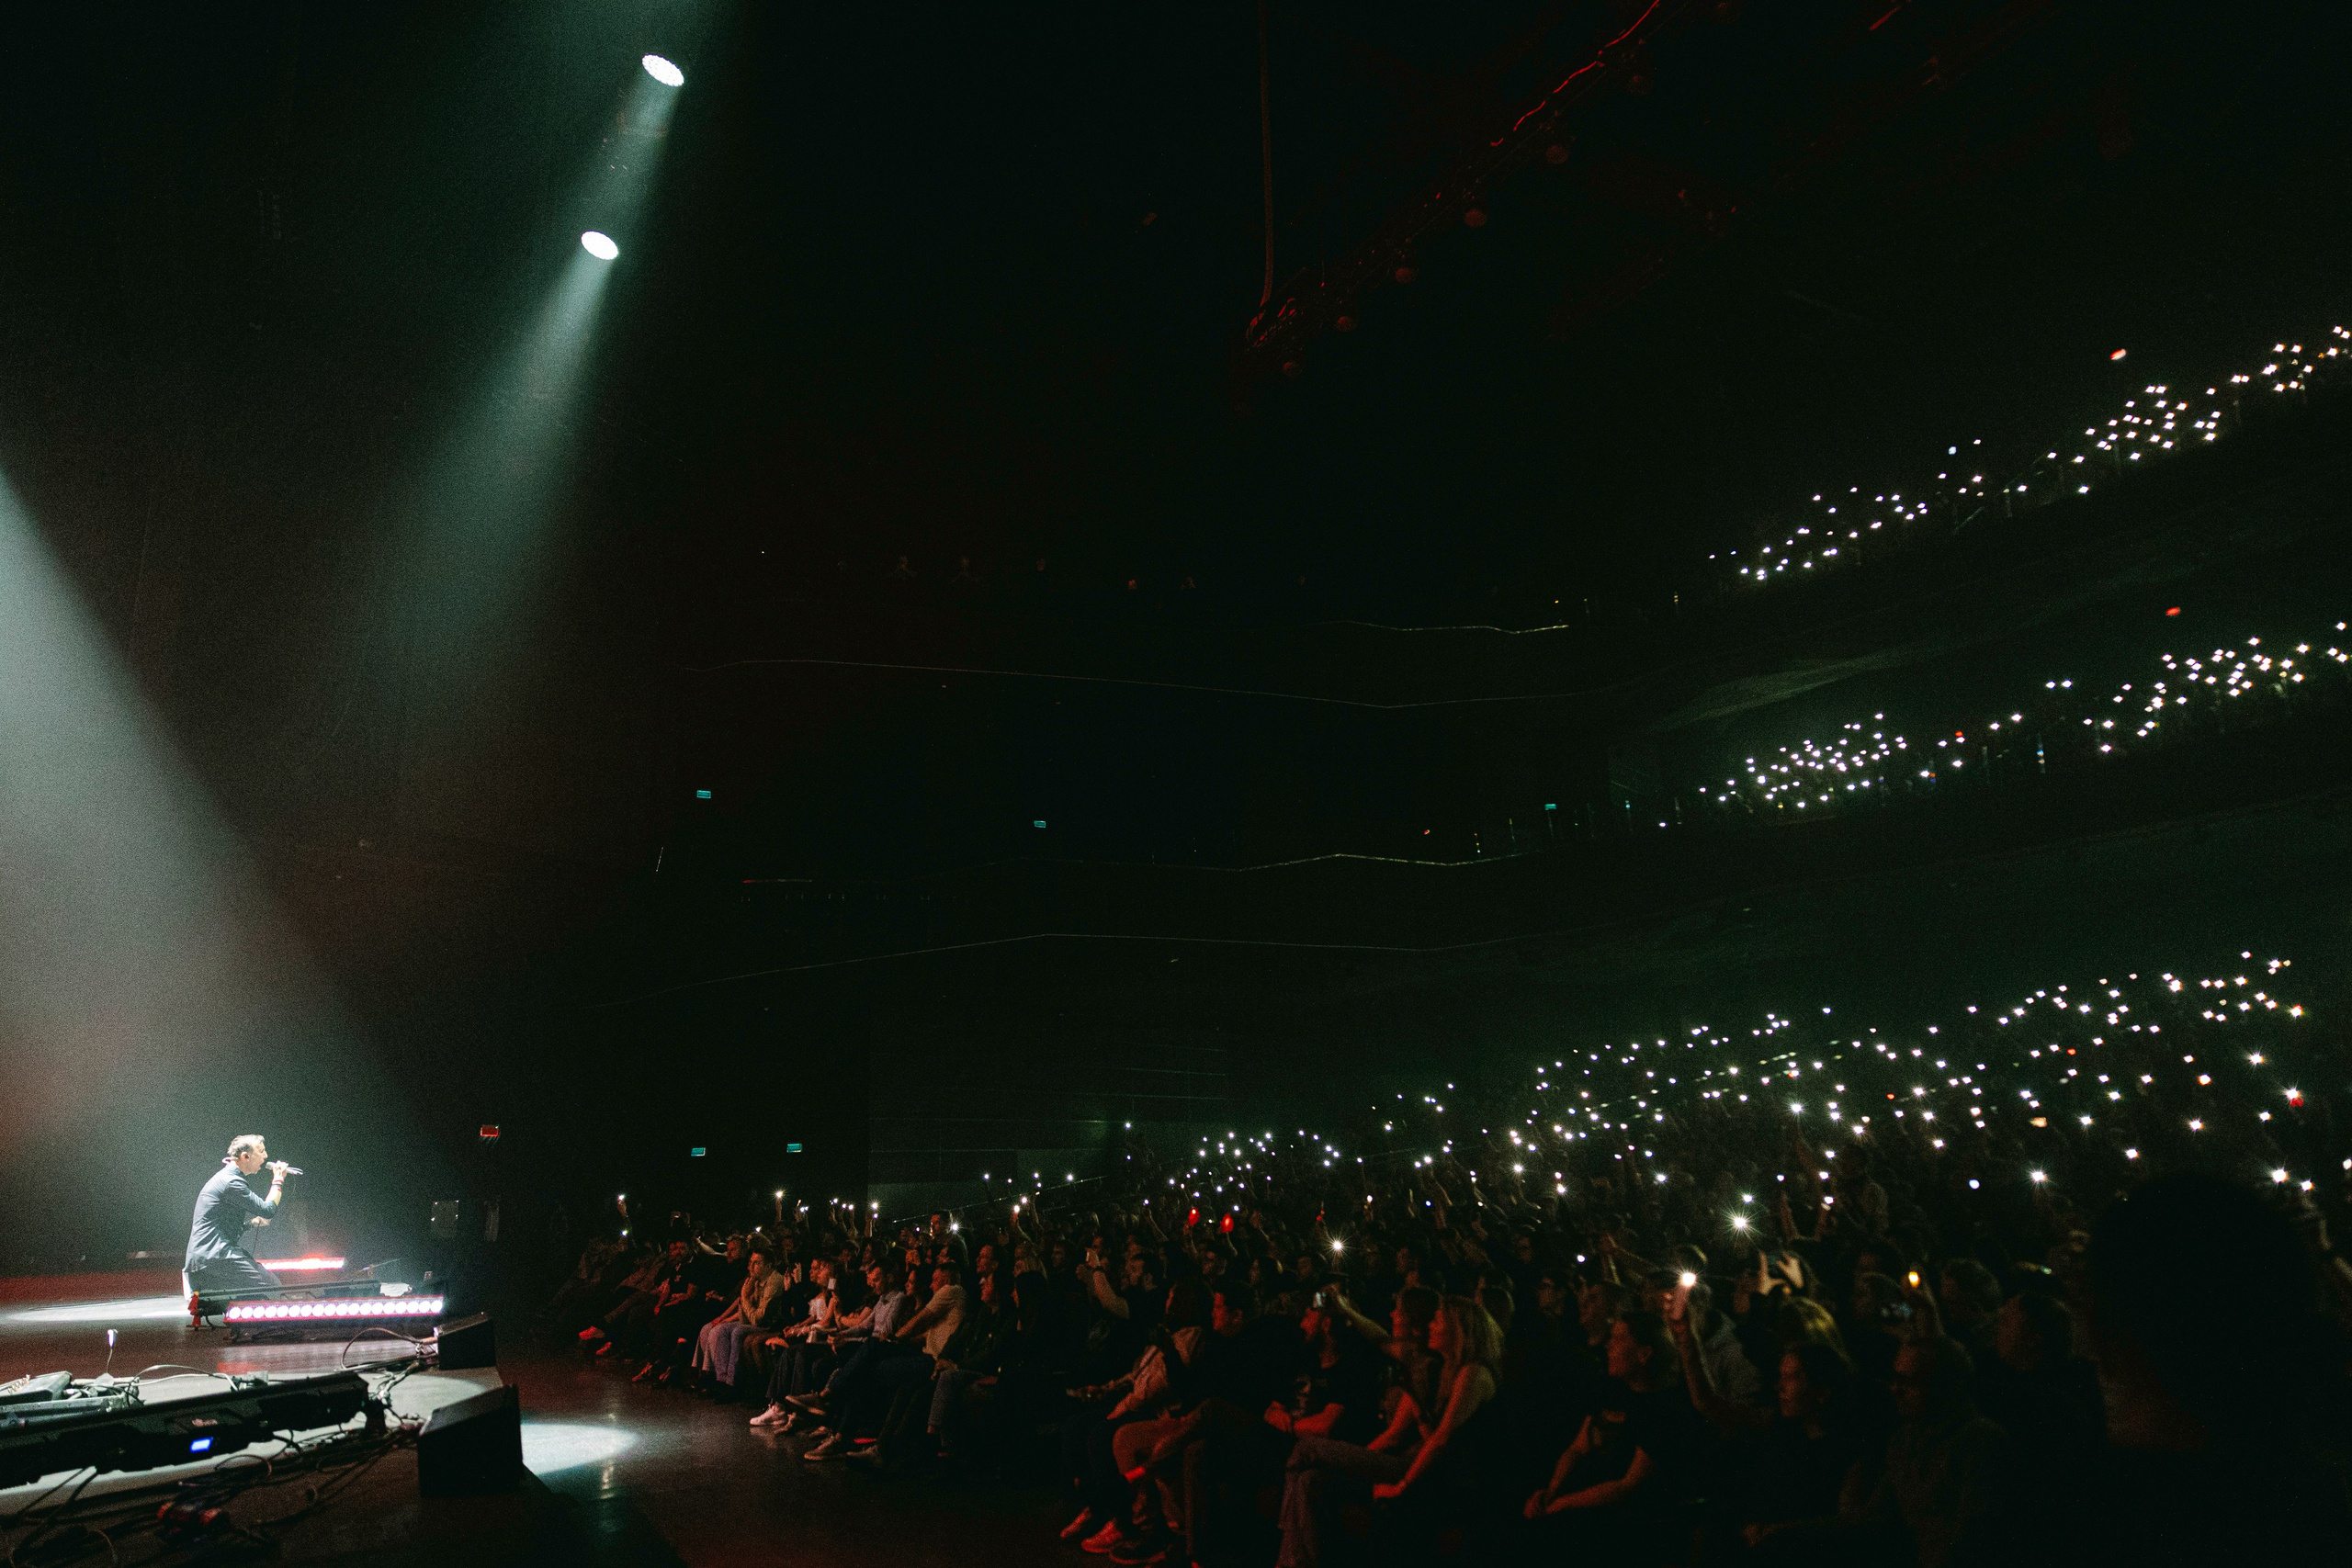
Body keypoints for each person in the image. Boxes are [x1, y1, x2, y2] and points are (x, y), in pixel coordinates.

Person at [187, 1134, 294, 1295]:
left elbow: (219, 1226)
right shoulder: (231, 1182)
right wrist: (278, 1180)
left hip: (203, 1261)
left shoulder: (226, 1178)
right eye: (262, 1151)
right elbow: (268, 1210)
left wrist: (251, 1223)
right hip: (217, 1259)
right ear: (245, 1156)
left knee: (253, 1299)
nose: (265, 1156)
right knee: (272, 1288)